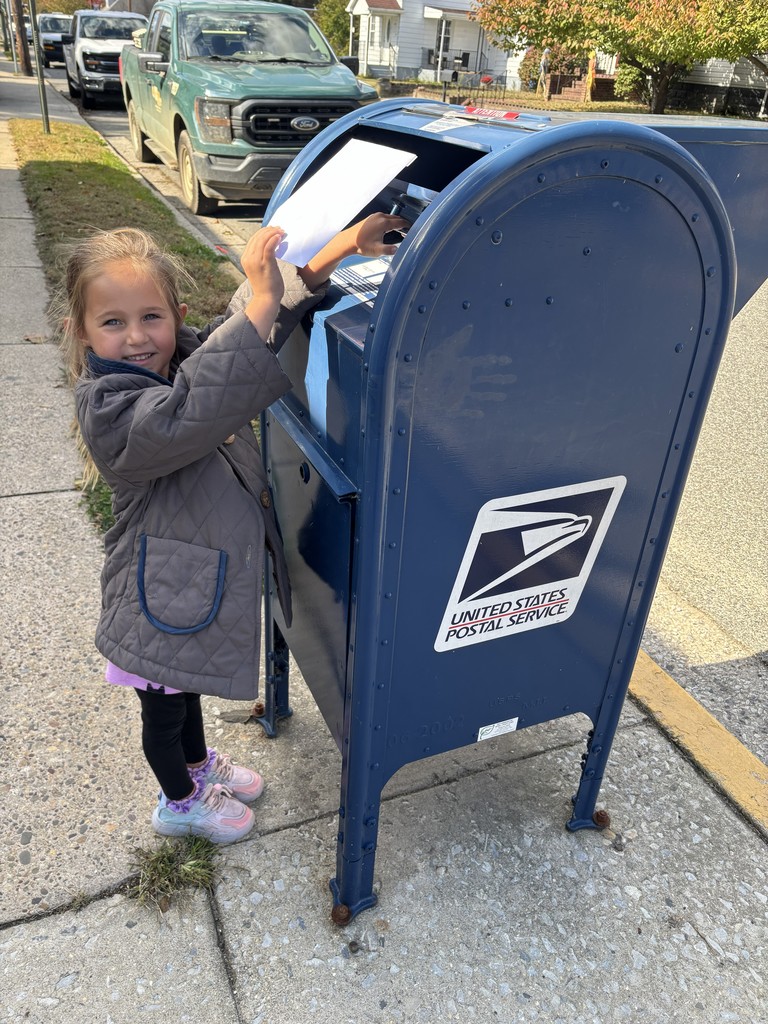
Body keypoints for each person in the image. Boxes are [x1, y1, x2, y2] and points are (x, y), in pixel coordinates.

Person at [58, 213, 409, 844]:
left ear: (176, 314)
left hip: (188, 590)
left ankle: (197, 770)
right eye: (113, 323)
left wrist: (342, 249)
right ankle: (179, 803)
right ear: (80, 333)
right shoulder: (111, 410)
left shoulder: (182, 360)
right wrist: (263, 300)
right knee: (163, 716)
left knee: (184, 694)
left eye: (151, 318)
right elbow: (196, 405)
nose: (137, 338)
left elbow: (245, 337)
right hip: (158, 598)